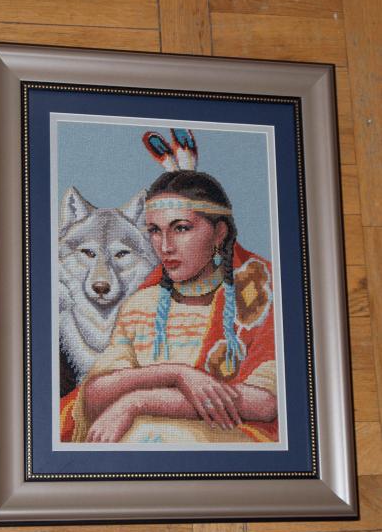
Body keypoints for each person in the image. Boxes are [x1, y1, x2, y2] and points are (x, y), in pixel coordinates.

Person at [61, 130, 277, 444]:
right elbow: (94, 394)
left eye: (181, 228)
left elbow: (264, 402)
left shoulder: (259, 297)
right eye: (154, 230)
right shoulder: (141, 306)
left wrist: (138, 402)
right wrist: (176, 374)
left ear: (219, 233)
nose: (165, 246)